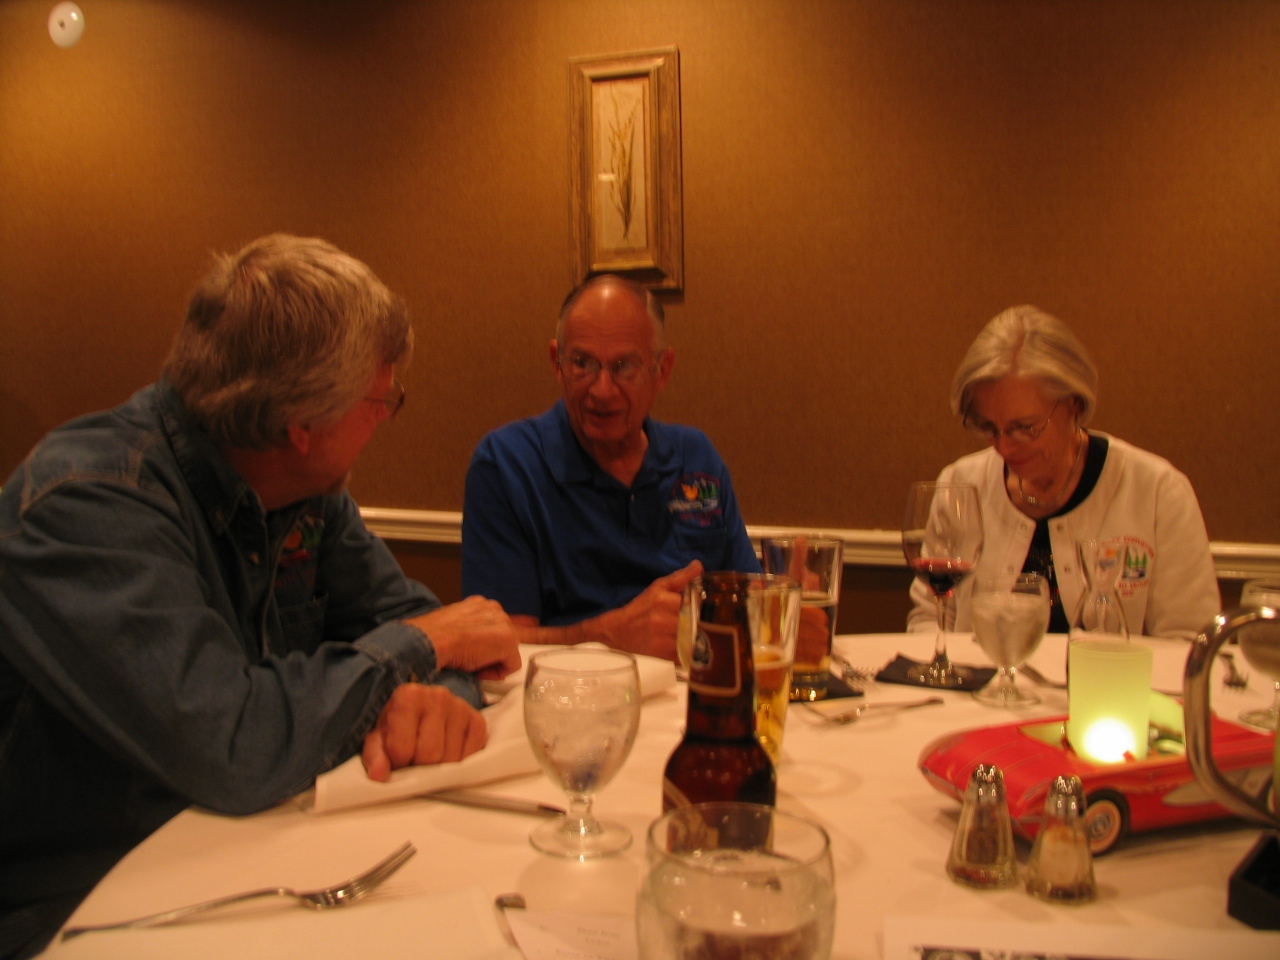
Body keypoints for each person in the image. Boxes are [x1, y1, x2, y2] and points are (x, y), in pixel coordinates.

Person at [0, 234, 521, 958]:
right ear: (301, 427)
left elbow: (411, 624)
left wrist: (424, 697)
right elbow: (234, 744)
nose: (388, 414)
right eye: (383, 398)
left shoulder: (303, 490)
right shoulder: (86, 503)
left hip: (258, 850)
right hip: (80, 905)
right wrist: (420, 654)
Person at [461, 274, 760, 661]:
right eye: (582, 363)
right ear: (557, 363)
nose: (601, 390)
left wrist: (787, 619)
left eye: (623, 367)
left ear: (662, 371)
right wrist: (605, 637)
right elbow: (497, 645)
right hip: (567, 704)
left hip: (693, 699)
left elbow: (748, 605)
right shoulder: (506, 465)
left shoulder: (696, 458)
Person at [908, 304, 1219, 640]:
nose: (1004, 448)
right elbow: (929, 621)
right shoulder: (961, 484)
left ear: (1075, 405)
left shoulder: (1158, 491)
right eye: (989, 428)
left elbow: (1189, 642)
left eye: (1025, 427)